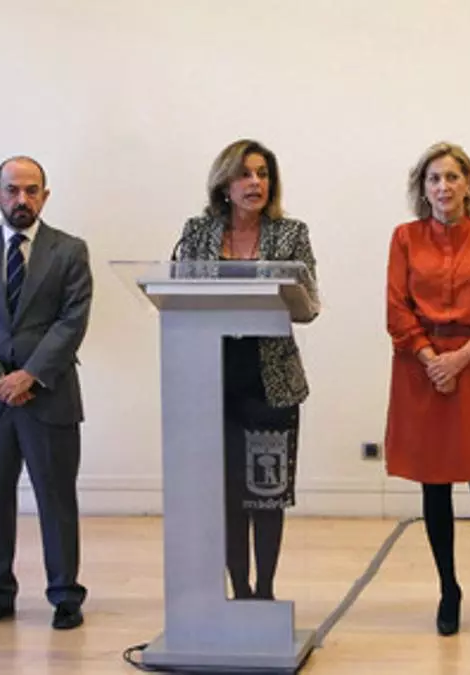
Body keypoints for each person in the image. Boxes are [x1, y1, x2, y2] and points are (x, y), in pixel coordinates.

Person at [174, 139, 319, 601]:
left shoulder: (290, 233)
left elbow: (309, 306)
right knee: (227, 494)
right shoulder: (197, 233)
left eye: (262, 174)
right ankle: (238, 589)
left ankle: (266, 592)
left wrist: (288, 292)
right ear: (224, 183)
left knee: (267, 492)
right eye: (244, 173)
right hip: (211, 379)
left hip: (269, 382)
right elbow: (178, 297)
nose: (255, 182)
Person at [384, 142, 470, 637]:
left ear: (469, 185)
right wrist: (431, 359)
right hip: (420, 371)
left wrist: (459, 359)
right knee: (434, 486)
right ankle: (449, 589)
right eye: (434, 179)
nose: (443, 186)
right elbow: (397, 309)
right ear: (423, 189)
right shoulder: (404, 238)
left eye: (452, 177)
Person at [0, 156, 93, 630]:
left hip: (48, 396)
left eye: (32, 190)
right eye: (12, 190)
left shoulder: (69, 250)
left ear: (44, 196)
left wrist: (29, 375)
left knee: (56, 498)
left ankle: (65, 594)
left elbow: (72, 321)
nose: (22, 199)